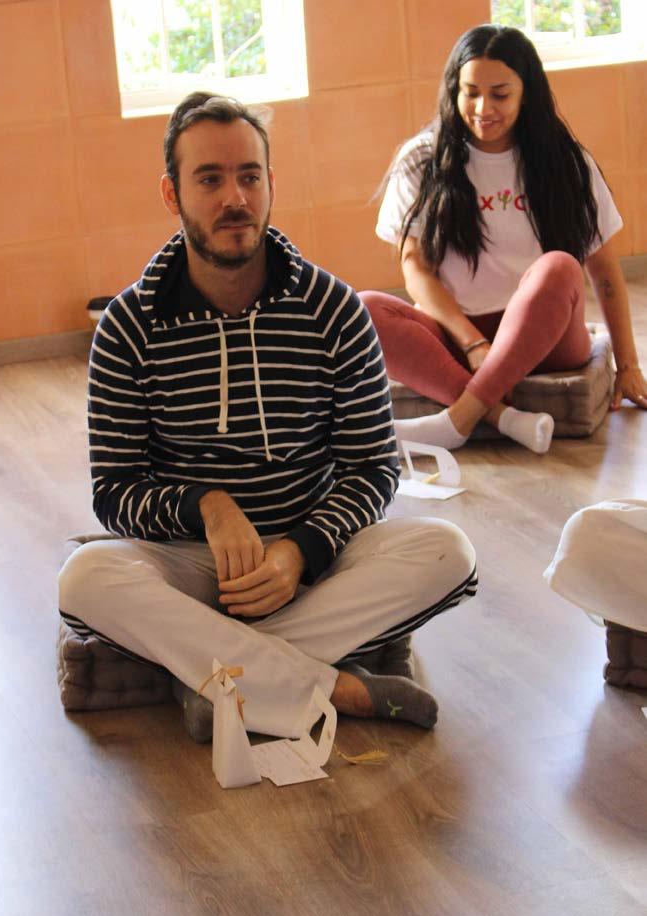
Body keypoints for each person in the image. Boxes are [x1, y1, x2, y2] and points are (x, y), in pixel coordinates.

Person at [58, 92, 477, 742]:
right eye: (209, 179)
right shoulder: (128, 327)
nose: (235, 198)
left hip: (311, 564)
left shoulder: (333, 311)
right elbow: (114, 492)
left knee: (447, 550)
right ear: (172, 194)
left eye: (249, 176)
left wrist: (299, 551)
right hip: (191, 564)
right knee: (87, 579)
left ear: (270, 184)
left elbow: (372, 469)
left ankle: (216, 680)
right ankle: (328, 685)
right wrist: (207, 506)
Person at [360, 24, 647, 455]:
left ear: (526, 93)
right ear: (454, 90)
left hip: (547, 340)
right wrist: (473, 343)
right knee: (364, 307)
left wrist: (628, 365)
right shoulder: (420, 158)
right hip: (456, 337)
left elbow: (604, 271)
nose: (483, 108)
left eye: (500, 94)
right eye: (471, 92)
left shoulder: (565, 160)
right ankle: (502, 417)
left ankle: (458, 420)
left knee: (559, 267)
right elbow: (414, 268)